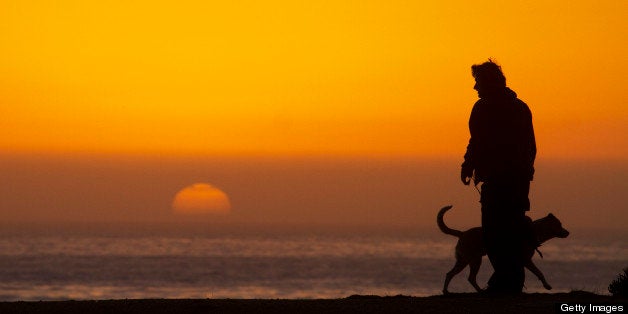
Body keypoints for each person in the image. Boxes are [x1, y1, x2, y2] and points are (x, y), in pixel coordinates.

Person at [461, 60, 536, 294]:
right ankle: (508, 282)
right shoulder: (520, 107)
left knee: (495, 233)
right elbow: (530, 147)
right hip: (516, 181)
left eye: (478, 82)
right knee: (510, 232)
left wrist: (469, 164)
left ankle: (505, 284)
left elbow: (478, 141)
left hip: (501, 180)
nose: (475, 88)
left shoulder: (485, 108)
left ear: (490, 83)